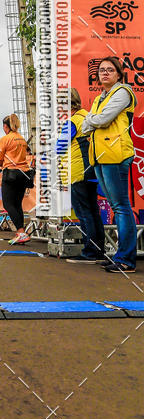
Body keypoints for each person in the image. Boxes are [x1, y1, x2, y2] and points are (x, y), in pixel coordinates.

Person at [82, 56, 138, 273]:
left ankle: (126, 259)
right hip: (100, 156)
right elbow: (88, 125)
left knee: (121, 207)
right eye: (102, 70)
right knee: (117, 207)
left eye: (110, 70)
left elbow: (102, 119)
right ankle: (121, 255)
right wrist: (93, 121)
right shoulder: (99, 98)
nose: (105, 73)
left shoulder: (122, 92)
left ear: (119, 74)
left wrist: (92, 120)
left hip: (116, 155)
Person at [57, 88, 106, 264]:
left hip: (77, 172)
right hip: (92, 170)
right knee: (93, 211)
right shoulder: (88, 116)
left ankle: (90, 252)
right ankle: (99, 251)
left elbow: (59, 147)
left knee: (84, 213)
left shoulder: (72, 122)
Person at [0, 114, 31, 245]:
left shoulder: (5, 139)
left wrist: (2, 163)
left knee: (8, 204)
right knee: (17, 204)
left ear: (6, 126)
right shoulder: (22, 139)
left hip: (10, 173)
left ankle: (21, 232)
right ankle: (20, 233)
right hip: (24, 173)